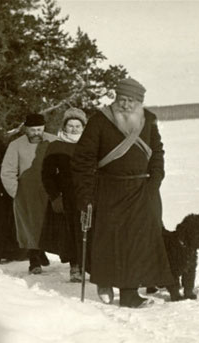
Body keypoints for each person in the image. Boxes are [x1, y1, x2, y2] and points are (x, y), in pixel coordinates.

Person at [71, 77, 174, 308]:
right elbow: (83, 160)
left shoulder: (149, 120)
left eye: (132, 101)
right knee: (111, 241)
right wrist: (85, 194)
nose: (126, 105)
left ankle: (130, 292)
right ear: (115, 98)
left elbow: (157, 151)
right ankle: (105, 281)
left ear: (139, 102)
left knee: (139, 241)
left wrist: (155, 179)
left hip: (143, 189)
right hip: (109, 189)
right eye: (122, 99)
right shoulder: (99, 121)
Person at [40, 108, 88, 282]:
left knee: (90, 230)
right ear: (64, 127)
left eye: (78, 126)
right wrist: (55, 196)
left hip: (89, 194)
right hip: (67, 197)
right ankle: (75, 267)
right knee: (70, 233)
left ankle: (90, 265)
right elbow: (47, 175)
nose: (74, 129)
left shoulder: (90, 145)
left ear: (84, 127)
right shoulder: (56, 146)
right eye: (70, 125)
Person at [1, 113, 53, 274]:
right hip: (26, 192)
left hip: (50, 190)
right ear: (26, 129)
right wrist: (16, 193)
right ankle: (34, 260)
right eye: (33, 130)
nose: (37, 133)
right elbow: (7, 171)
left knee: (49, 224)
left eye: (40, 129)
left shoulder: (54, 141)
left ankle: (42, 249)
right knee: (30, 225)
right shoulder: (16, 145)